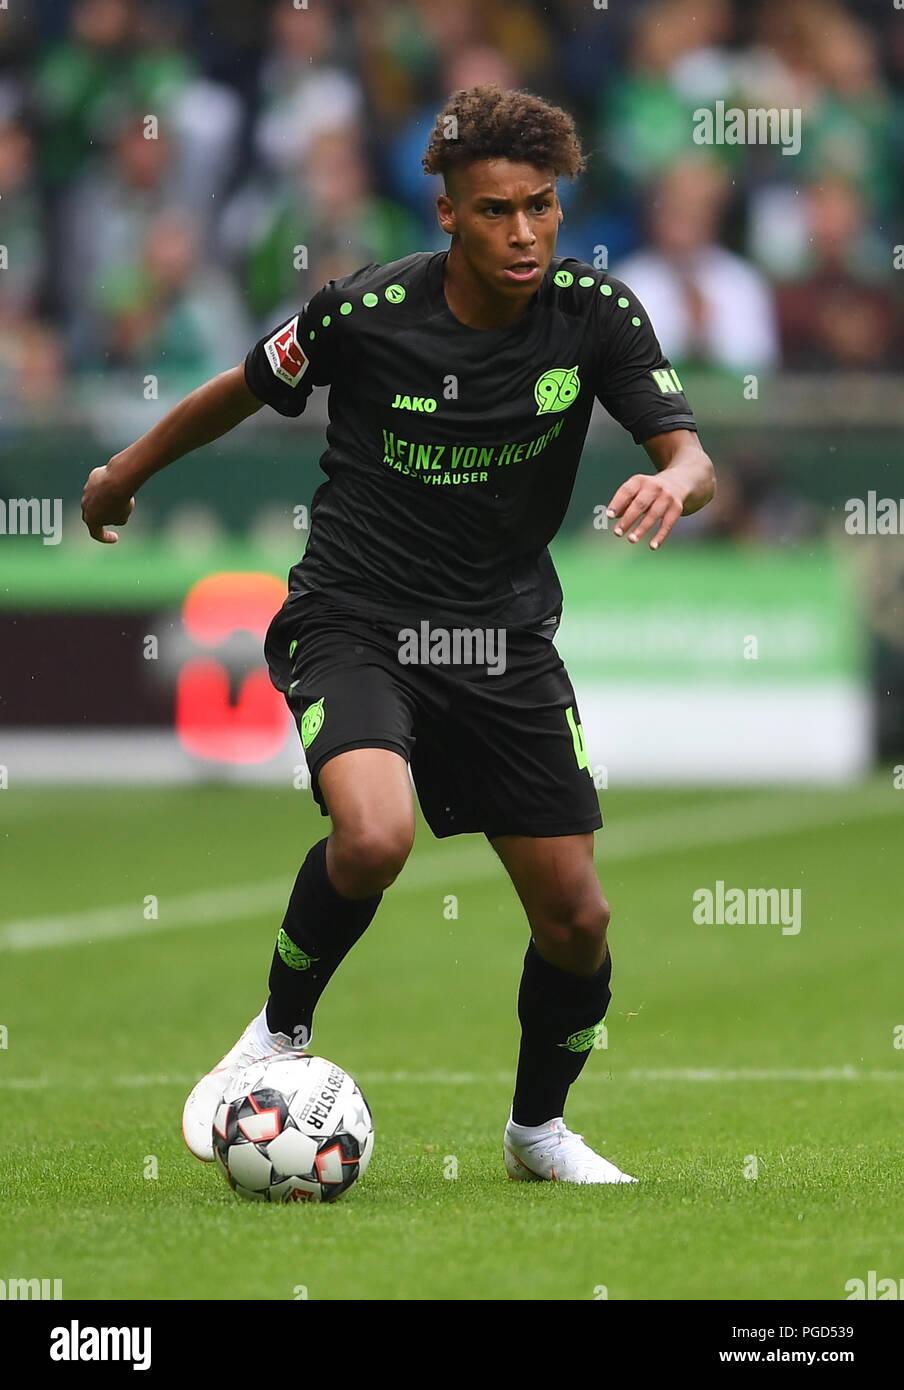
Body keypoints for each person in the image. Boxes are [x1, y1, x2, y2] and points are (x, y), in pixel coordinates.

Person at [81, 85, 715, 1185]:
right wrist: (122, 474)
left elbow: (690, 455)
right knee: (375, 835)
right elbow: (239, 390)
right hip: (358, 616)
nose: (523, 233)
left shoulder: (594, 315)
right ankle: (278, 1030)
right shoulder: (362, 313)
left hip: (504, 639)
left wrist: (677, 481)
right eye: (494, 212)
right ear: (446, 215)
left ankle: (536, 1133)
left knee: (577, 917)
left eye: (541, 207)